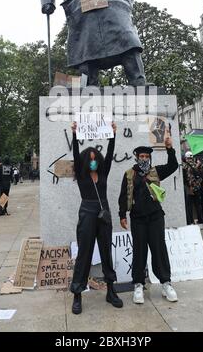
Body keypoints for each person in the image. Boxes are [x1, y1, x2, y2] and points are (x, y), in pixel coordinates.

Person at [70, 121, 123, 314]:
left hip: (104, 212)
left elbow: (109, 154)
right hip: (87, 212)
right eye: (89, 158)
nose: (93, 160)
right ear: (85, 161)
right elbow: (75, 154)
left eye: (95, 158)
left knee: (106, 251)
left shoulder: (103, 171)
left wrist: (113, 134)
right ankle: (77, 294)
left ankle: (111, 290)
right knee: (84, 252)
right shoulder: (82, 175)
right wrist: (75, 134)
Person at [118, 138, 178, 304]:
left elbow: (173, 166)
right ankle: (138, 284)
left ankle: (166, 283)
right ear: (137, 157)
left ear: (149, 158)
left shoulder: (156, 171)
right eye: (141, 156)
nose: (144, 158)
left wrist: (169, 149)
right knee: (139, 250)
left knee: (159, 249)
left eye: (147, 156)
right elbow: (123, 195)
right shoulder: (129, 174)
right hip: (137, 219)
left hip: (155, 217)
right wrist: (122, 215)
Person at [182, 152, 203, 225]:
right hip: (197, 188)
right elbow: (200, 177)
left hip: (189, 188)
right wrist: (197, 185)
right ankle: (200, 221)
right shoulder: (196, 165)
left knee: (189, 206)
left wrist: (189, 186)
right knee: (198, 205)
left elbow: (186, 178)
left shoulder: (185, 166)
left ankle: (191, 221)